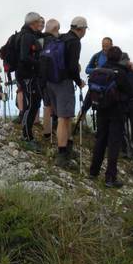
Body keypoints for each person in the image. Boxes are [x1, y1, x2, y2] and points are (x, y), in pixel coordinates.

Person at [87, 47, 133, 187]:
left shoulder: (98, 71)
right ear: (119, 58)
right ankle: (110, 178)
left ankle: (93, 172)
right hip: (116, 112)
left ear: (107, 57)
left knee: (100, 140)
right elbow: (130, 92)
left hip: (101, 110)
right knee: (113, 145)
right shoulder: (120, 73)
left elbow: (91, 91)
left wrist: (84, 108)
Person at [49, 16, 88, 167]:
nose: (85, 32)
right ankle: (62, 155)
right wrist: (79, 82)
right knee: (64, 119)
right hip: (63, 83)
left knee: (62, 117)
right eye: (85, 29)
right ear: (81, 29)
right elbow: (72, 67)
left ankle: (66, 147)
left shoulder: (62, 37)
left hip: (50, 81)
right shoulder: (75, 41)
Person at [17, 12, 44, 150]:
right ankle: (27, 137)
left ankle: (27, 135)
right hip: (27, 75)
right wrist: (40, 64)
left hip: (29, 75)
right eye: (39, 22)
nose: (40, 24)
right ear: (33, 23)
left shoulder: (28, 34)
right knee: (31, 105)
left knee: (35, 103)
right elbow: (24, 57)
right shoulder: (27, 36)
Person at [41, 19, 61, 140]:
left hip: (41, 78)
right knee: (55, 106)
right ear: (55, 29)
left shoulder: (39, 40)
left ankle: (47, 133)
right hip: (54, 78)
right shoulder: (55, 42)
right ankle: (57, 133)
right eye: (58, 29)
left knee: (46, 105)